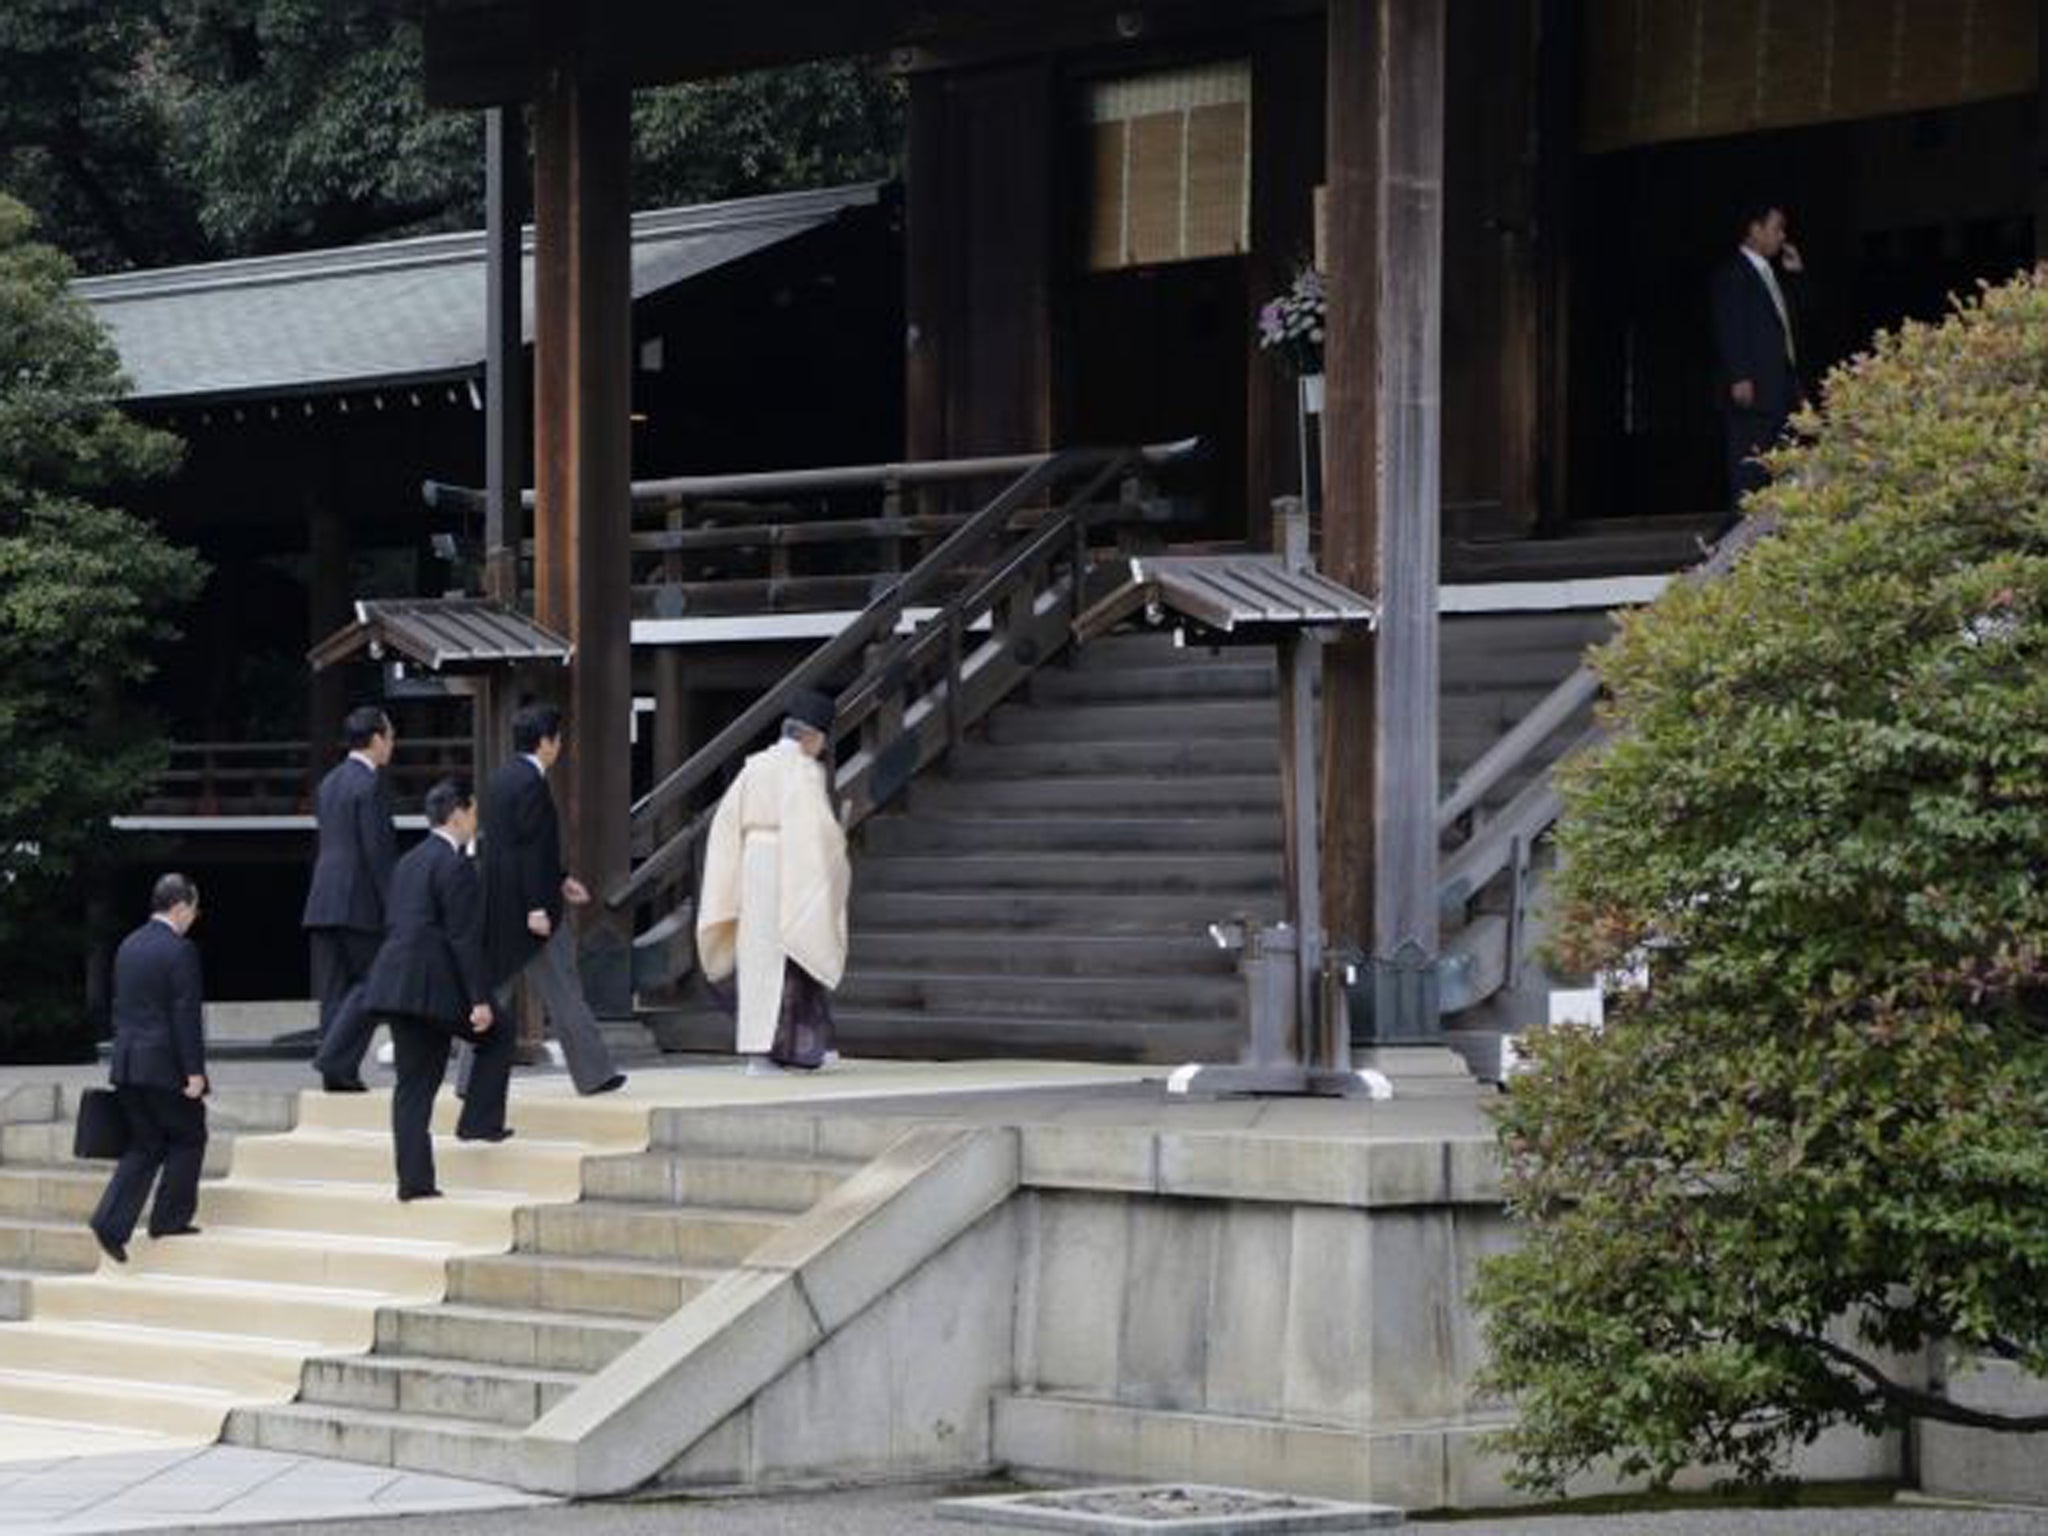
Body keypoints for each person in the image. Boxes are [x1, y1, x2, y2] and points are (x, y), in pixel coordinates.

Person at [466, 702, 625, 1130]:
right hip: (531, 910)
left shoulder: (498, 780)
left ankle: (468, 1077)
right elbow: (532, 849)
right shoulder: (533, 784)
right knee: (564, 990)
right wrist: (540, 902)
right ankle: (594, 1074)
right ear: (546, 742)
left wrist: (559, 880)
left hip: (497, 903)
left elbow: (509, 848)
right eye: (558, 738)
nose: (560, 745)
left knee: (492, 992)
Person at [359, 779, 502, 1201]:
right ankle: (478, 1121)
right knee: (499, 1032)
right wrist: (478, 999)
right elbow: (464, 938)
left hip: (394, 983)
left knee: (411, 1087)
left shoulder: (408, 862)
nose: (476, 822)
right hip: (433, 990)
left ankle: (414, 1180)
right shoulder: (456, 866)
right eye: (473, 812)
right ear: (457, 813)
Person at [697, 689, 850, 1073]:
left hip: (753, 863)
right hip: (790, 863)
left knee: (759, 959)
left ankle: (763, 1051)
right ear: (812, 737)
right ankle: (787, 1049)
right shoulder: (802, 770)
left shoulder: (754, 766)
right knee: (798, 949)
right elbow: (816, 830)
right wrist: (837, 847)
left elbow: (725, 826)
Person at [89, 873, 208, 1264]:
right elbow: (184, 1014)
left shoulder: (129, 945)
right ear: (180, 907)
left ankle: (110, 1222)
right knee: (189, 1134)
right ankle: (169, 1219)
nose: (195, 916)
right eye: (194, 908)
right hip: (163, 1064)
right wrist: (194, 1071)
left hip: (127, 1063)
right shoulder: (180, 950)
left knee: (146, 1143)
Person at [303, 706, 399, 1093]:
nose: (392, 745)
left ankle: (338, 1074)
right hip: (358, 900)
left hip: (323, 896)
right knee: (375, 982)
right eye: (390, 737)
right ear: (376, 739)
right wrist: (395, 906)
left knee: (333, 991)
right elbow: (376, 851)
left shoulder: (329, 783)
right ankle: (333, 1057)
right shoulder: (371, 784)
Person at [1710, 200, 1806, 505]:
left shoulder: (1774, 274)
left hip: (1782, 385)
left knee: (1785, 462)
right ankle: (1743, 541)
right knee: (1752, 466)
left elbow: (1794, 322)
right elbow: (1730, 324)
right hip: (1754, 387)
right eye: (1777, 228)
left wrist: (1795, 274)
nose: (1782, 236)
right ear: (1755, 229)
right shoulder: (1733, 273)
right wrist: (1740, 375)